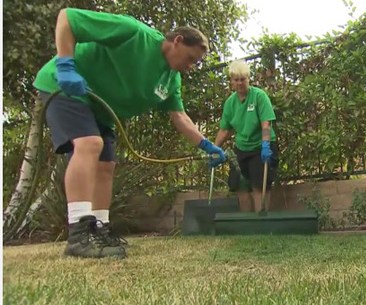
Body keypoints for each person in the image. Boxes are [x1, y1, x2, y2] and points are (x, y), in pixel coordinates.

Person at [32, 8, 226, 259]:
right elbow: (68, 18)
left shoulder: (171, 80)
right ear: (177, 41)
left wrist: (207, 145)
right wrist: (65, 65)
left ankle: (99, 229)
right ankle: (79, 233)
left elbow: (179, 117)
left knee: (106, 165)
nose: (190, 67)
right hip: (65, 87)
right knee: (90, 144)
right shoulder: (134, 33)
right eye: (190, 58)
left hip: (101, 109)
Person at [214, 60, 279, 213]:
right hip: (241, 147)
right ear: (231, 82)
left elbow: (266, 124)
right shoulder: (230, 103)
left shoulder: (259, 96)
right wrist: (214, 149)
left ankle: (261, 224)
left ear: (248, 79)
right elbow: (225, 130)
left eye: (243, 79)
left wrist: (265, 145)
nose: (240, 83)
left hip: (261, 147)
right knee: (239, 186)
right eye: (236, 80)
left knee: (259, 186)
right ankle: (246, 225)